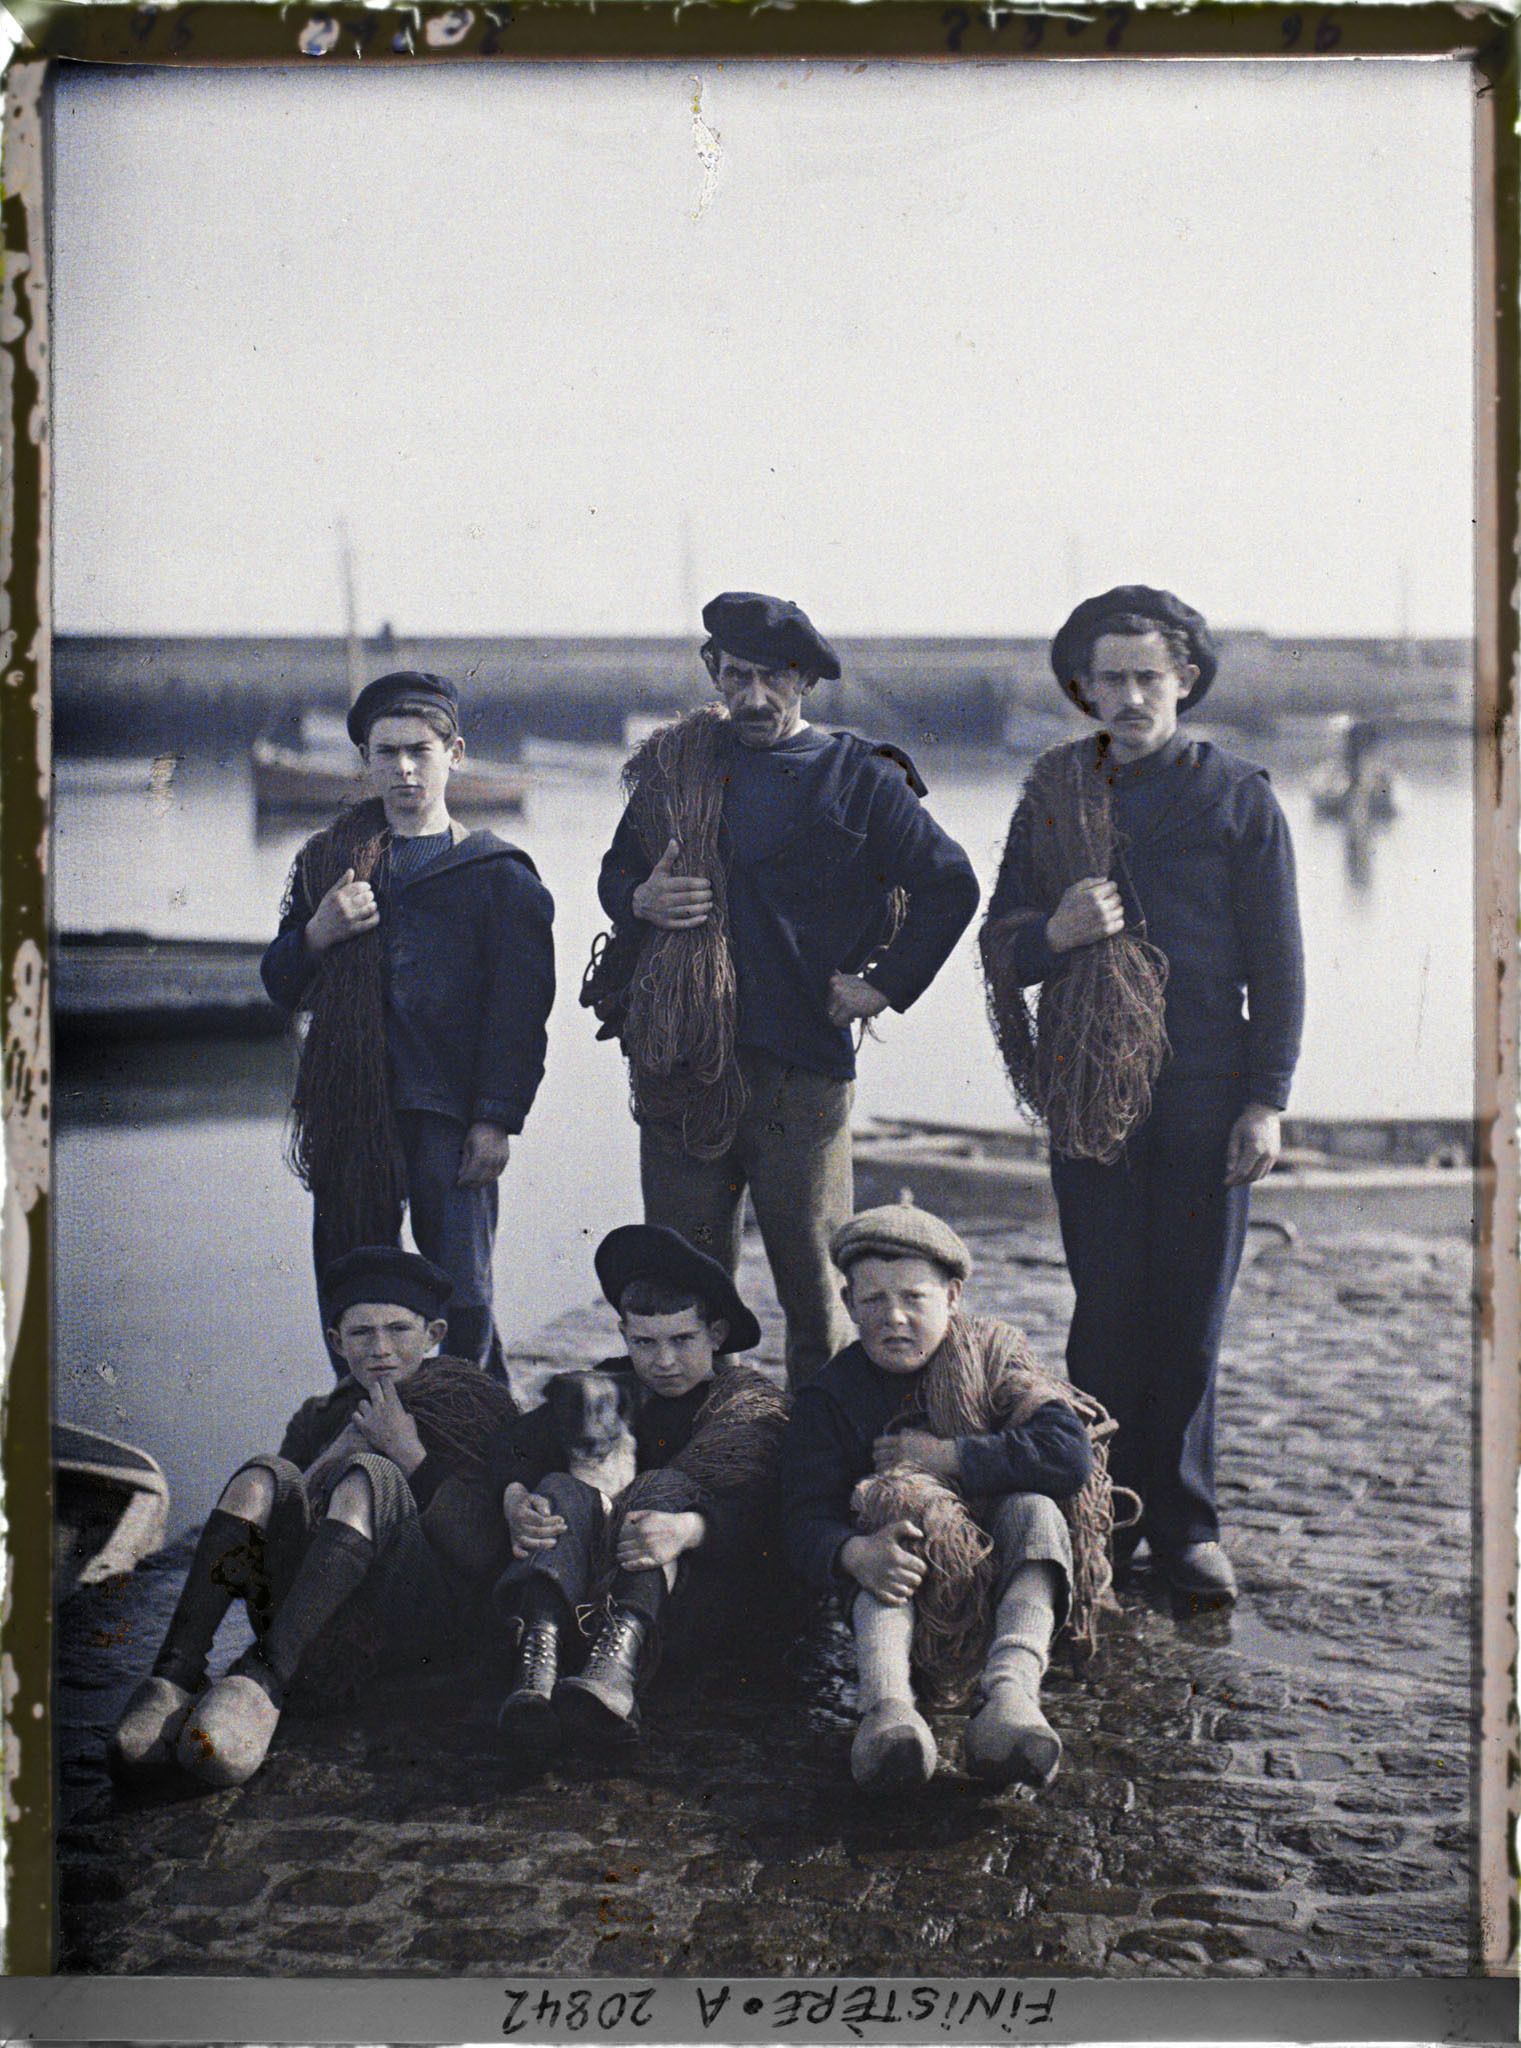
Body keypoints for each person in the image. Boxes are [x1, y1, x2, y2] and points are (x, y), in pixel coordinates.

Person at [980, 586, 1305, 1602]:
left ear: (1186, 682)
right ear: (1083, 687)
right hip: (1089, 1089)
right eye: (1108, 677)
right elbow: (1001, 943)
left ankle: (1189, 1525)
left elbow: (1281, 964)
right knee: (1109, 1309)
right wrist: (1057, 932)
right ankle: (1105, 1517)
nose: (1127, 695)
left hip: (1207, 1085)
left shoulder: (1238, 795)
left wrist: (1268, 1097)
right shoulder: (1052, 795)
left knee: (1191, 1316)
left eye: (1147, 676)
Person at [589, 591, 980, 1390]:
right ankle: (705, 1455)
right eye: (736, 676)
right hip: (681, 1068)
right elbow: (619, 870)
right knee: (686, 1288)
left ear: (803, 680)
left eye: (773, 679)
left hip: (800, 1070)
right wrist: (638, 901)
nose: (754, 698)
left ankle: (815, 1465)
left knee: (816, 1290)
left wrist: (882, 985)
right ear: (714, 672)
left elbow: (950, 885)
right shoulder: (678, 768)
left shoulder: (860, 776)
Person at [106, 1248, 517, 1791]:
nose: (382, 1350)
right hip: (315, 1620)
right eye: (362, 1333)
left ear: (434, 1332)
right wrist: (337, 1449)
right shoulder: (320, 1415)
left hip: (418, 1627)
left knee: (373, 1473)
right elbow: (284, 1519)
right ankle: (175, 1674)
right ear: (335, 1342)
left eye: (399, 1330)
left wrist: (408, 1453)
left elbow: (482, 1551)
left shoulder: (474, 1407)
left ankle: (262, 1682)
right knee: (265, 1473)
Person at [261, 670, 556, 1376]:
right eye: (384, 752)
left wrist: (496, 1120)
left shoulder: (499, 875)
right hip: (350, 1108)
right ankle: (365, 1422)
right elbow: (280, 983)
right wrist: (318, 934)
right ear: (364, 762)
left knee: (463, 1290)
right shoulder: (329, 864)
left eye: (418, 751)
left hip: (449, 1112)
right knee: (351, 1283)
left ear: (454, 753)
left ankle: (473, 1419)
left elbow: (520, 1018)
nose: (401, 769)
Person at [780, 1205, 1116, 1795]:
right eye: (874, 1300)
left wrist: (950, 1457)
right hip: (908, 1593)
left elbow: (1068, 1457)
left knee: (1035, 1511)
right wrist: (853, 1552)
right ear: (848, 1302)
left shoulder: (993, 1358)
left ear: (954, 1296)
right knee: (895, 1508)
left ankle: (1010, 1695)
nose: (896, 1318)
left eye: (915, 1297)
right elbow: (801, 1517)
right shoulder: (830, 1396)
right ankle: (888, 1712)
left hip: (1003, 1576)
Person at [489, 1224, 789, 1759]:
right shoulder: (610, 1387)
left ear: (716, 1334)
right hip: (592, 1597)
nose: (664, 1361)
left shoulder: (747, 1405)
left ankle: (616, 1671)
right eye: (644, 1342)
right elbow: (515, 1443)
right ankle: (537, 1659)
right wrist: (516, 1501)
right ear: (624, 1334)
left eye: (682, 1340)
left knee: (662, 1486)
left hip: (696, 1603)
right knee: (558, 1484)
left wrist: (690, 1529)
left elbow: (771, 1509)